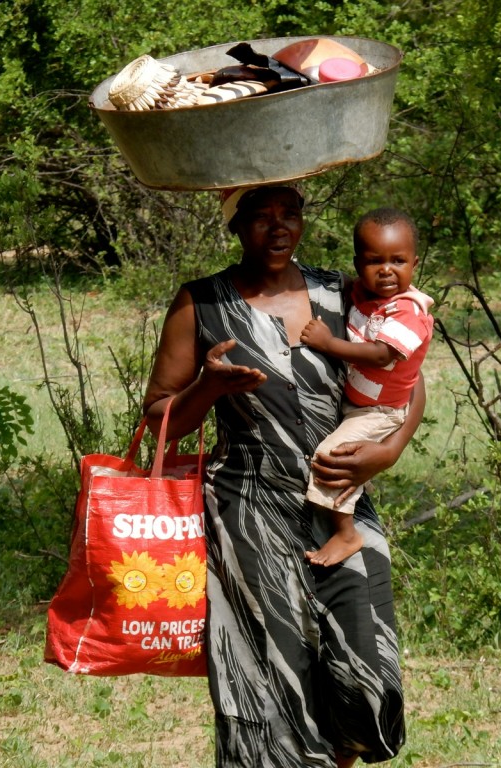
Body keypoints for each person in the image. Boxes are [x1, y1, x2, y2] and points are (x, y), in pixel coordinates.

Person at [142, 184, 424, 767]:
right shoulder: (202, 303)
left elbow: (407, 375)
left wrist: (390, 448)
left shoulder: (339, 291)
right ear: (234, 225)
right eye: (260, 217)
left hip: (341, 499)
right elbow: (158, 420)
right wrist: (209, 387)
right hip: (248, 507)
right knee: (275, 675)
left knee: (365, 668)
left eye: (289, 215)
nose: (277, 229)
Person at [299, 208, 434, 567]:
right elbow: (345, 284)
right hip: (358, 402)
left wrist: (327, 344)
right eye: (375, 261)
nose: (387, 270)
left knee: (333, 458)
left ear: (414, 263)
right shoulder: (365, 292)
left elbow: (380, 354)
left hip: (380, 410)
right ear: (359, 265)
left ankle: (346, 534)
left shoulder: (408, 312)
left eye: (398, 261)